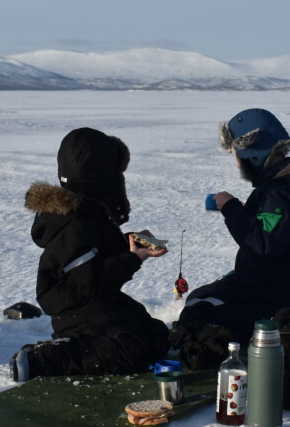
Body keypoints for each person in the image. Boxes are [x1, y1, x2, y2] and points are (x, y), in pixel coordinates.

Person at [11, 127, 171, 382]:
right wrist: (132, 258)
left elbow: (96, 253)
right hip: (76, 310)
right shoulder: (76, 225)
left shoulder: (86, 212)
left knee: (156, 337)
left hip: (94, 301)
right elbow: (89, 282)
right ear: (101, 179)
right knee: (130, 351)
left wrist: (129, 241)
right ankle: (44, 359)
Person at [177, 108, 290, 343]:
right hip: (283, 286)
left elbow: (263, 245)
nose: (237, 166)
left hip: (275, 297)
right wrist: (250, 213)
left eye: (237, 157)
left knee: (199, 310)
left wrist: (231, 208)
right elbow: (280, 229)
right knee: (205, 295)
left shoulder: (279, 193)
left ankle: (280, 323)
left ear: (253, 153)